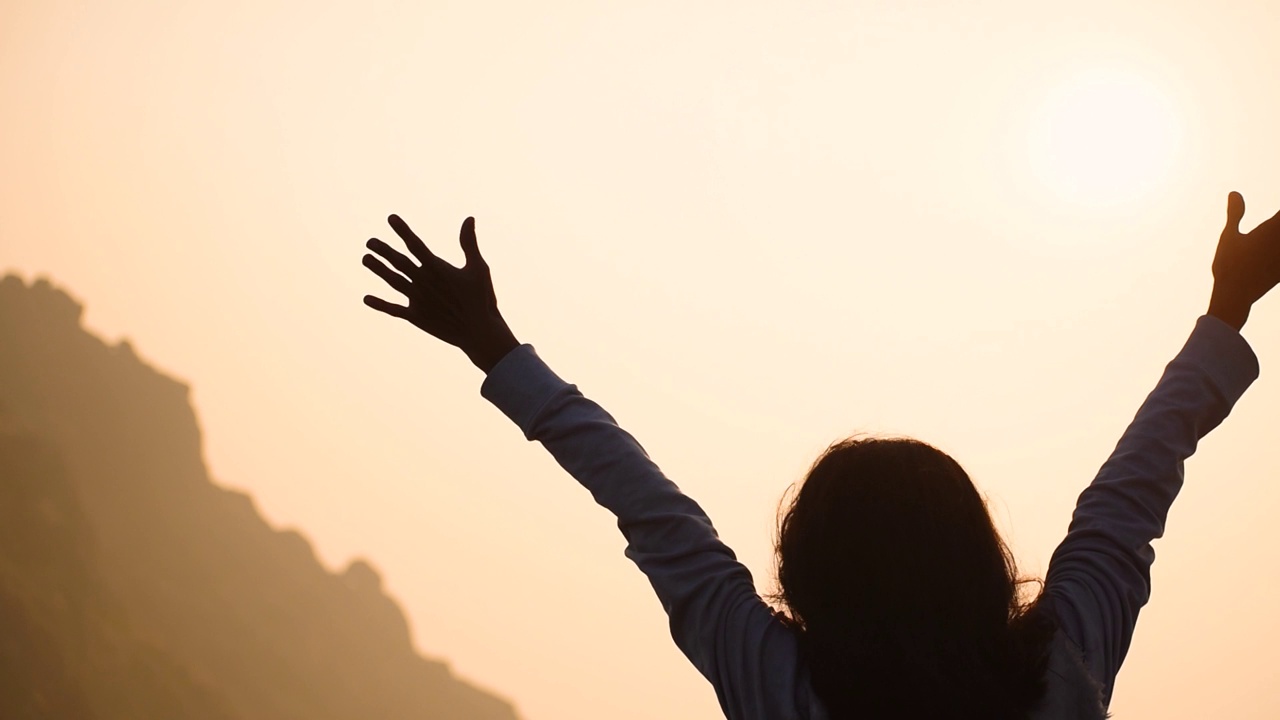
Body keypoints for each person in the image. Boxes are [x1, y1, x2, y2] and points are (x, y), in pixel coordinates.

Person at [360, 192, 1277, 719]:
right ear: (980, 561)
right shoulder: (1064, 671)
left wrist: (495, 347)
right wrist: (1226, 309)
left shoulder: (780, 688)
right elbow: (1133, 493)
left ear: (805, 574)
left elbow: (647, 506)